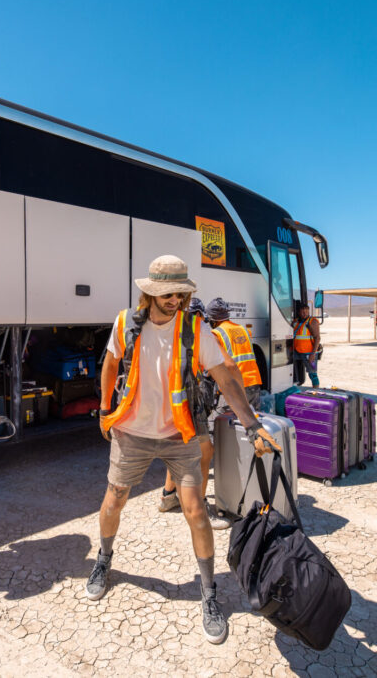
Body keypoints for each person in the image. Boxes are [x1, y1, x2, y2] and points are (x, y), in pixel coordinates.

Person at [89, 255, 280, 645]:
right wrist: (105, 408)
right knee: (114, 501)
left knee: (195, 511)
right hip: (131, 431)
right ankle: (103, 561)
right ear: (151, 293)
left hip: (181, 433)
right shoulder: (126, 323)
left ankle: (209, 592)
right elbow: (110, 364)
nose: (176, 299)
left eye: (181, 292)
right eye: (168, 293)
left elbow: (224, 377)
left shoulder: (195, 328)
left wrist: (252, 423)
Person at [156, 297, 242, 530]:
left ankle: (167, 497)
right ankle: (202, 511)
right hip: (189, 403)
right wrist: (240, 397)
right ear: (201, 318)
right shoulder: (201, 334)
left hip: (169, 402)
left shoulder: (168, 334)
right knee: (205, 452)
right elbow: (230, 366)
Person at [293, 301, 321, 388]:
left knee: (312, 373)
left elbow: (317, 338)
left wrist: (313, 354)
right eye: (302, 310)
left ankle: (316, 391)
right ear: (298, 312)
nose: (304, 312)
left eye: (306, 310)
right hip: (297, 351)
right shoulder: (296, 322)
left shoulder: (312, 322)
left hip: (309, 353)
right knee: (293, 370)